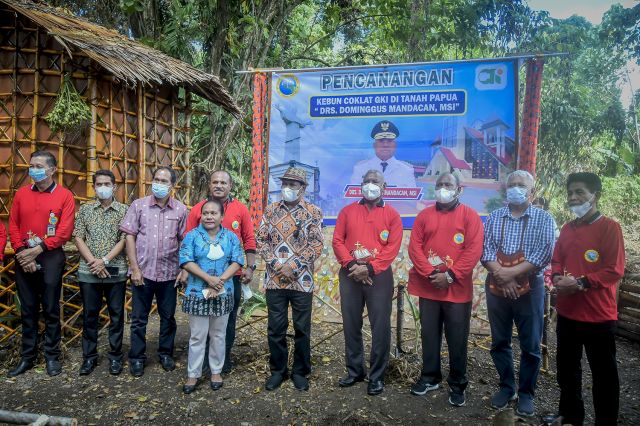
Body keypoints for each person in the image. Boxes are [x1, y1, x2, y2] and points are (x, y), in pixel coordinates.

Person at [552, 172, 625, 426]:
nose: (573, 197)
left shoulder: (610, 227)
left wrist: (581, 282)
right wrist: (557, 277)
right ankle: (570, 415)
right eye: (570, 193)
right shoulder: (566, 228)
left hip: (598, 316)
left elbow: (614, 268)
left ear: (596, 195)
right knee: (567, 370)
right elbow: (557, 258)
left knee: (604, 375)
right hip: (567, 312)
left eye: (580, 192)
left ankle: (605, 422)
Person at [481, 170, 556, 416]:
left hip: (530, 288)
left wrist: (510, 275)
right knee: (500, 341)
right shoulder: (494, 217)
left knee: (531, 345)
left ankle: (526, 393)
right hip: (496, 287)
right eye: (511, 184)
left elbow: (544, 254)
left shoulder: (544, 219)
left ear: (532, 193)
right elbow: (486, 251)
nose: (515, 188)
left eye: (521, 185)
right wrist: (502, 277)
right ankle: (507, 387)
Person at [407, 172, 484, 406]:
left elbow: (473, 250)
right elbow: (414, 248)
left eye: (448, 184)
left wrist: (450, 275)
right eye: (439, 184)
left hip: (457, 291)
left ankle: (458, 383)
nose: (442, 188)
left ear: (459, 189)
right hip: (429, 287)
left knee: (456, 339)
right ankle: (430, 377)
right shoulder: (424, 216)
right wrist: (432, 274)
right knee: (429, 335)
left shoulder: (470, 216)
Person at [333, 169, 403, 396]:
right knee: (351, 324)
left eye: (375, 181)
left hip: (379, 277)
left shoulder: (392, 215)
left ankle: (376, 376)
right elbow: (337, 241)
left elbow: (392, 247)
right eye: (367, 181)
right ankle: (355, 371)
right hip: (350, 274)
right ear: (360, 185)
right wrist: (353, 266)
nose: (370, 184)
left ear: (384, 188)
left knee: (380, 327)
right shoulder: (347, 211)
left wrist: (370, 268)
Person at [7, 150, 75, 377]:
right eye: (31, 165)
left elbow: (64, 232)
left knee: (51, 309)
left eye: (38, 165)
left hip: (50, 256)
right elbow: (13, 225)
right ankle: (27, 357)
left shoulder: (65, 196)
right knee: (27, 310)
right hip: (23, 256)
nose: (33, 169)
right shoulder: (21, 194)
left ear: (52, 169)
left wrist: (37, 250)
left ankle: (52, 357)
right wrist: (21, 252)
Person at [256, 166, 323, 391]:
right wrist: (277, 265)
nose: (287, 188)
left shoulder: (313, 212)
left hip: (301, 282)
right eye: (284, 183)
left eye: (292, 184)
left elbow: (316, 244)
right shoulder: (271, 210)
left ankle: (300, 372)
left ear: (303, 188)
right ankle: (278, 371)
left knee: (302, 329)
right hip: (275, 280)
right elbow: (261, 240)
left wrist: (293, 265)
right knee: (276, 328)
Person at [185, 170, 256, 373]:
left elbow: (249, 240)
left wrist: (249, 267)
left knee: (227, 319)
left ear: (230, 185)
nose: (218, 185)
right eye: (214, 181)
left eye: (223, 182)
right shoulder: (198, 209)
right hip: (201, 279)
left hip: (230, 277)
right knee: (202, 319)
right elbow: (187, 240)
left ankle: (222, 360)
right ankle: (202, 361)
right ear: (209, 185)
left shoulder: (240, 209)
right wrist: (185, 272)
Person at [120, 166, 188, 377]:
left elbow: (185, 241)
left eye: (164, 180)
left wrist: (183, 269)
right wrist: (134, 268)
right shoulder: (138, 206)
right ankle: (137, 358)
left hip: (169, 274)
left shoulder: (181, 210)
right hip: (143, 272)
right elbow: (129, 236)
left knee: (168, 317)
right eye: (156, 179)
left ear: (172, 185)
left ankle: (165, 354)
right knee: (139, 319)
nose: (158, 183)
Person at [179, 199, 244, 394]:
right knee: (198, 336)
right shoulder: (191, 236)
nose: (209, 216)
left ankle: (216, 370)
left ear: (222, 216)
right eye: (205, 213)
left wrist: (220, 280)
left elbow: (237, 261)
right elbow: (186, 260)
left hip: (224, 293)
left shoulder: (231, 237)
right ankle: (193, 374)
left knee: (218, 334)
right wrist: (208, 278)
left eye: (213, 213)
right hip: (197, 293)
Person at [73, 170, 128, 375]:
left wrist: (104, 260)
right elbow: (78, 237)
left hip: (116, 270)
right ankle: (89, 357)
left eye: (107, 183)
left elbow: (125, 239)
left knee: (116, 315)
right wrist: (93, 262)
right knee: (90, 315)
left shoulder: (125, 210)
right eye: (98, 184)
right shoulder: (86, 210)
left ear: (115, 187)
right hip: (89, 271)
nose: (102, 187)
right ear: (94, 187)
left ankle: (115, 357)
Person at [350, 121, 416, 188]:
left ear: (395, 145)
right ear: (374, 145)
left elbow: (411, 197)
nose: (385, 145)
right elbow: (353, 197)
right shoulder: (360, 169)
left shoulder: (406, 170)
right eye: (381, 141)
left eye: (389, 141)